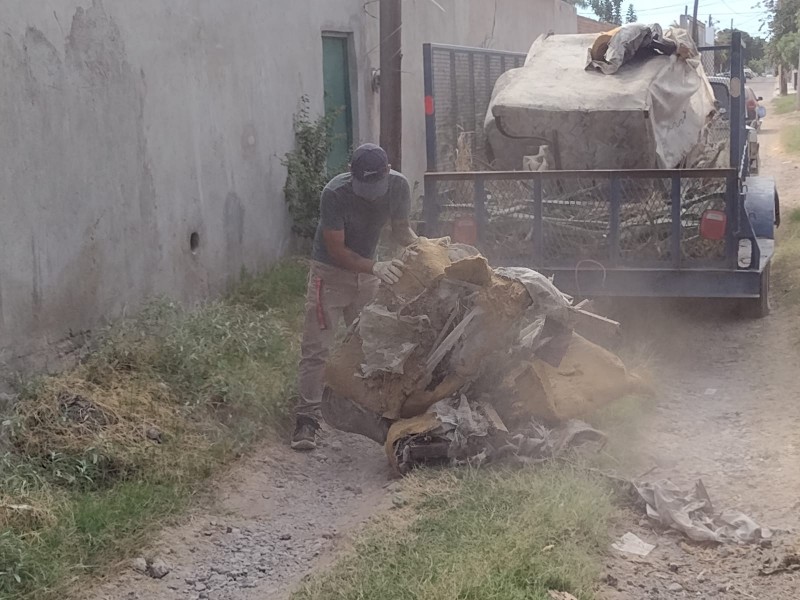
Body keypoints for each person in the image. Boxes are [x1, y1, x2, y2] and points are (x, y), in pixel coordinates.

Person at [291, 143, 418, 450]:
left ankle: (371, 413)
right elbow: (337, 249)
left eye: (375, 184)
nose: (369, 192)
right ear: (351, 174)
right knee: (317, 347)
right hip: (330, 274)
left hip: (368, 275)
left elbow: (401, 231)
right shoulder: (334, 194)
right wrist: (376, 266)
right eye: (363, 184)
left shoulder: (398, 187)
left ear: (388, 172)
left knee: (370, 345)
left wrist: (422, 248)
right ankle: (307, 419)